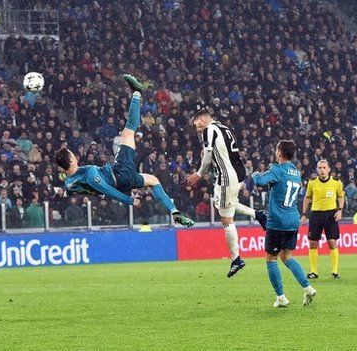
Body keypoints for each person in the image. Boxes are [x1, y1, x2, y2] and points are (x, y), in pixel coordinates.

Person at [55, 75, 195, 228]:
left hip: (122, 181)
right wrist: (130, 201)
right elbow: (106, 190)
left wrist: (61, 191)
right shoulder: (90, 175)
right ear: (71, 160)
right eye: (71, 154)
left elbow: (69, 189)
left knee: (153, 180)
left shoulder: (69, 182)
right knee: (128, 131)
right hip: (120, 173)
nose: (74, 155)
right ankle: (136, 93)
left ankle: (175, 213)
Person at [186, 106, 267, 277]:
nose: (196, 128)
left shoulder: (208, 130)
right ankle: (258, 215)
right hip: (238, 173)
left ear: (201, 119)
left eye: (196, 124)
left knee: (226, 219)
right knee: (227, 204)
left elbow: (208, 157)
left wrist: (200, 173)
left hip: (226, 176)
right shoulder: (224, 128)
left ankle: (236, 259)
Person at [252, 140, 316, 307]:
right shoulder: (296, 172)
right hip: (293, 220)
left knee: (271, 259)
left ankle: (281, 297)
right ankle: (307, 287)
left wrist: (254, 174)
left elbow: (259, 181)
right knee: (286, 257)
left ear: (279, 153)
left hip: (277, 221)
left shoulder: (277, 169)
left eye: (276, 150)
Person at [301, 160, 344, 279]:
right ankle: (314, 272)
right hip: (315, 215)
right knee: (313, 243)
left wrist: (340, 210)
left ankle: (335, 271)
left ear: (329, 169)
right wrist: (304, 214)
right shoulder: (312, 183)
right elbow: (307, 198)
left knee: (332, 242)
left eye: (324, 167)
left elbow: (341, 197)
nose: (322, 170)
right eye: (320, 168)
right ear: (317, 169)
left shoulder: (336, 183)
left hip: (331, 214)